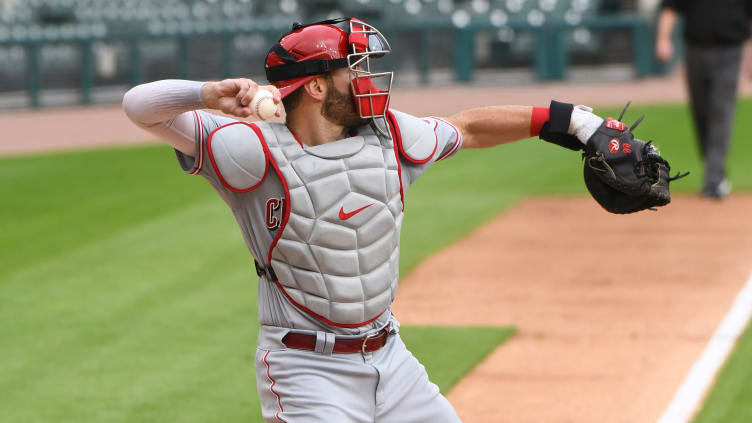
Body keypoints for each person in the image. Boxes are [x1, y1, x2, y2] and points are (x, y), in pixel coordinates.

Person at [123, 18, 606, 423]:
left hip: (390, 358)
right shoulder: (249, 150)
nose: (369, 81)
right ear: (315, 86)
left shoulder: (391, 134)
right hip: (305, 371)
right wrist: (205, 92)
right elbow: (139, 108)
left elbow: (467, 127)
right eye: (354, 70)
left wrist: (572, 122)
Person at [655, 0, 752, 199]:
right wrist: (663, 38)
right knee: (701, 115)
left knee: (721, 113)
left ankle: (714, 182)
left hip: (730, 51)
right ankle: (715, 172)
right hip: (695, 50)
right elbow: (671, 7)